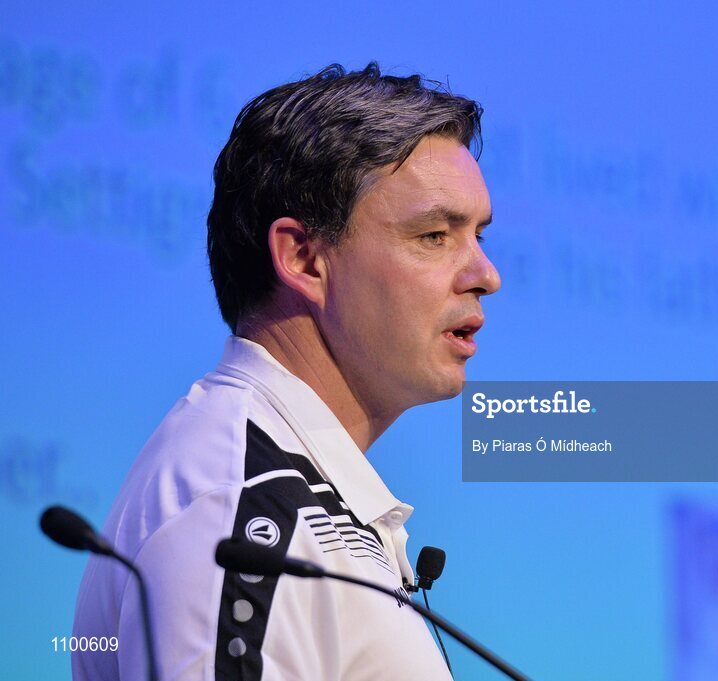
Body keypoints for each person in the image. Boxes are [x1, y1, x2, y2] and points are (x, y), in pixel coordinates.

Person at [72, 62, 500, 680]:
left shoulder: (291, 497)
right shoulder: (240, 511)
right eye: (434, 235)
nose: (486, 275)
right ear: (303, 258)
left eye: (479, 235)